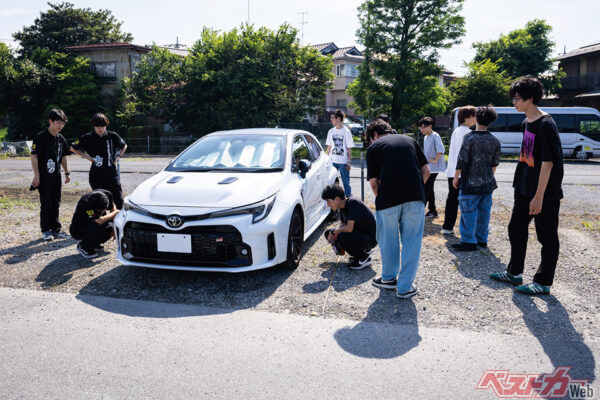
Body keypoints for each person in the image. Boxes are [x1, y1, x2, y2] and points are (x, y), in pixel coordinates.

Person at [490, 76, 564, 295]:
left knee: (547, 236)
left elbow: (548, 163)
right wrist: (521, 187)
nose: (514, 103)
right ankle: (514, 273)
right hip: (523, 188)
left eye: (517, 99)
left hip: (544, 193)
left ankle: (543, 282)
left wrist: (539, 196)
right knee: (516, 228)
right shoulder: (526, 122)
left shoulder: (546, 124)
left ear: (530, 99)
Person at [366, 120, 430, 298]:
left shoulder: (374, 148)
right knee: (411, 241)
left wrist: (382, 196)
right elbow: (426, 171)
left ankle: (388, 278)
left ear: (374, 136)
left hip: (387, 200)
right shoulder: (410, 141)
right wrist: (415, 188)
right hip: (415, 197)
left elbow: (373, 183)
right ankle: (404, 287)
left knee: (388, 240)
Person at [451, 105, 501, 251]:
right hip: (487, 183)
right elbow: (494, 163)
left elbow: (462, 160)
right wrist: (488, 177)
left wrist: (456, 177)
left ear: (477, 119)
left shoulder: (469, 138)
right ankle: (481, 239)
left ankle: (468, 240)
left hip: (470, 183)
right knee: (484, 212)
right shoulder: (495, 140)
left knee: (468, 212)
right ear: (491, 122)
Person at [70, 113, 127, 209]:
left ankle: (120, 220)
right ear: (94, 126)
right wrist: (87, 157)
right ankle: (103, 221)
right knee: (100, 200)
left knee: (118, 197)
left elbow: (124, 145)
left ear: (106, 125)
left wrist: (118, 156)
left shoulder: (112, 136)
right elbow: (72, 147)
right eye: (98, 126)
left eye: (103, 126)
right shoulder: (87, 137)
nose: (100, 129)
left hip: (111, 172)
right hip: (96, 174)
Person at [30, 109, 71, 240]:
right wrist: (36, 175)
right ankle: (45, 230)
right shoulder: (40, 137)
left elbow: (63, 157)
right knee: (46, 203)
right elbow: (34, 156)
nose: (60, 126)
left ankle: (56, 230)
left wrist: (67, 173)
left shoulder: (61, 138)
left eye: (62, 123)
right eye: (58, 122)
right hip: (44, 176)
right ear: (50, 121)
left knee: (56, 203)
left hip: (56, 176)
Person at [321, 184, 377, 270]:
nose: (328, 205)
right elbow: (342, 223)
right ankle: (360, 253)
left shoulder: (353, 203)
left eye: (328, 201)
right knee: (328, 233)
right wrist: (333, 232)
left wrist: (335, 232)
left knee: (342, 236)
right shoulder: (343, 206)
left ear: (336, 199)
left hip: (370, 238)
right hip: (360, 235)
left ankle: (363, 257)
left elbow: (349, 228)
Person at [443, 106, 477, 235]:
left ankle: (448, 226)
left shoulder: (457, 131)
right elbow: (465, 155)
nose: (475, 118)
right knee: (467, 201)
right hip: (461, 172)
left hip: (452, 171)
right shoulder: (467, 132)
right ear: (467, 117)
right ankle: (469, 229)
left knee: (452, 200)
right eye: (474, 115)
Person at [70, 189, 119, 259]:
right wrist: (115, 213)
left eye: (105, 209)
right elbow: (97, 222)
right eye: (101, 210)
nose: (104, 211)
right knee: (98, 228)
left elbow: (112, 207)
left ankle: (94, 244)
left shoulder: (107, 195)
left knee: (110, 227)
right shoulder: (85, 204)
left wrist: (116, 225)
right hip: (79, 229)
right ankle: (83, 245)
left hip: (93, 224)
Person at [419, 117, 445, 218]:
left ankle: (423, 210)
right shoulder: (426, 137)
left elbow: (441, 150)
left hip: (434, 168)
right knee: (429, 188)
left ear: (430, 126)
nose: (422, 130)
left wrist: (435, 160)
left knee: (427, 188)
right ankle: (432, 210)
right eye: (420, 128)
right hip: (429, 167)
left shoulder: (435, 136)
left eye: (423, 127)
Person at [326, 109, 354, 196]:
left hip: (343, 162)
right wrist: (326, 160)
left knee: (346, 183)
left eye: (332, 118)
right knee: (331, 183)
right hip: (332, 161)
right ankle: (334, 201)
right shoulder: (331, 131)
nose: (331, 120)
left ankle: (349, 200)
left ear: (338, 119)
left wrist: (349, 162)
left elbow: (349, 149)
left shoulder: (346, 132)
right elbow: (329, 147)